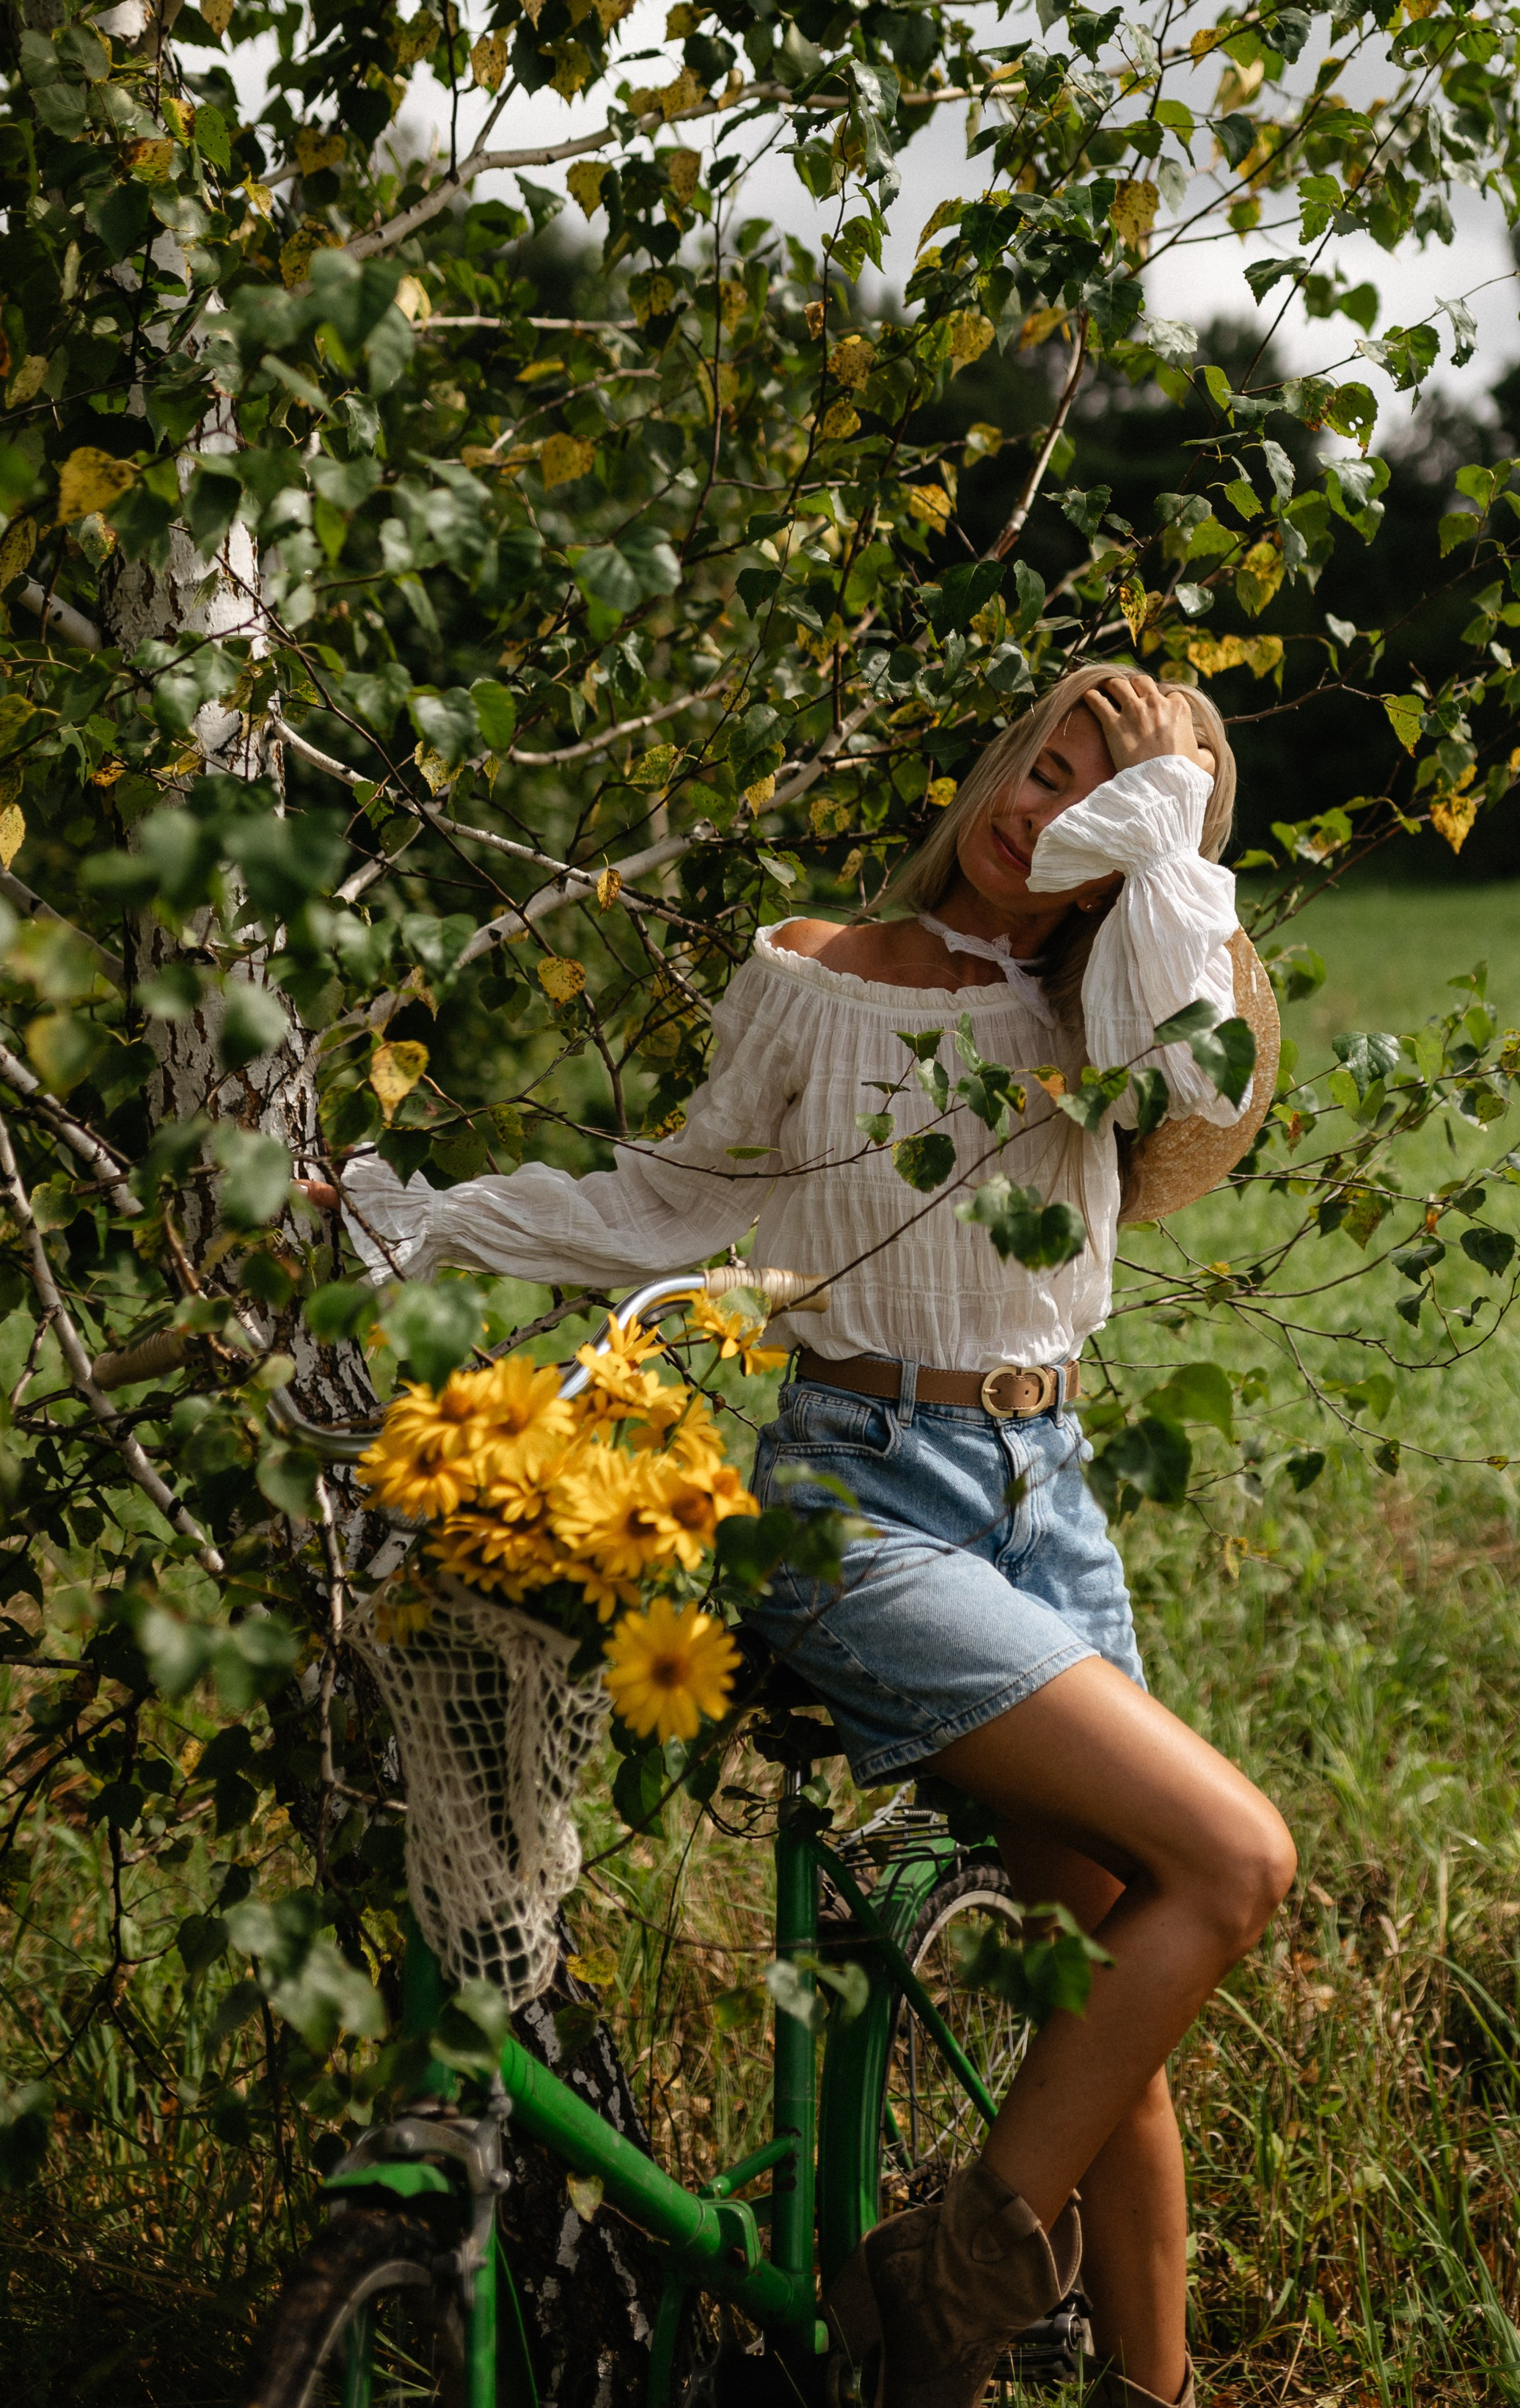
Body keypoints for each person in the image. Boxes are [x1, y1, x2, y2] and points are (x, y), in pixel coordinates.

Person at [315, 665, 1296, 2408]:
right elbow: (665, 1199)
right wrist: (421, 1221)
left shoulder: (1112, 1017)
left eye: (1088, 802)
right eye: (1034, 767)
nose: (1030, 811)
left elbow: (1201, 1083)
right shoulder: (811, 978)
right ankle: (940, 2276)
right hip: (862, 1499)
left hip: (1045, 1493)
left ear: (1140, 856)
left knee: (1109, 1982)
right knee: (1229, 1864)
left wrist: (1162, 834)